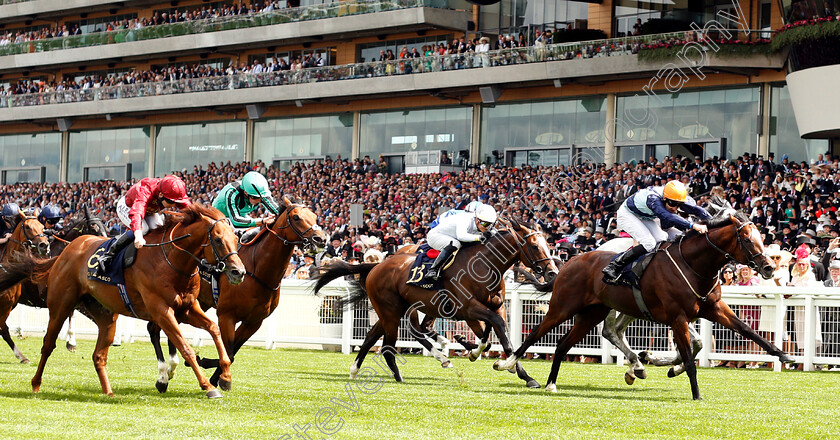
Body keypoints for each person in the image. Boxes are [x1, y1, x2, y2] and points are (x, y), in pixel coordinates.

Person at [603, 180, 711, 283]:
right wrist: (692, 225)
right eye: (673, 204)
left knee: (662, 238)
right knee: (649, 243)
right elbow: (668, 216)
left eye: (679, 205)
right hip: (628, 214)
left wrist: (714, 222)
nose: (675, 208)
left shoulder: (672, 197)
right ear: (664, 198)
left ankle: (641, 270)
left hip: (645, 216)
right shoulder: (653, 199)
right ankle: (614, 265)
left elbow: (696, 210)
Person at [96, 175, 191, 274]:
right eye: (171, 201)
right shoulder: (145, 190)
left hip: (149, 210)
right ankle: (109, 254)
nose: (175, 205)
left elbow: (189, 208)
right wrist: (138, 236)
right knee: (143, 229)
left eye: (177, 201)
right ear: (161, 195)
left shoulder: (174, 191)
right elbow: (137, 213)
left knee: (158, 228)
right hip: (129, 206)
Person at [424, 204, 497, 280]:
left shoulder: (479, 221)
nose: (487, 227)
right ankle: (433, 270)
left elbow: (493, 232)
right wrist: (479, 237)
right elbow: (461, 236)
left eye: (489, 224)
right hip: (436, 236)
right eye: (485, 224)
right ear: (477, 219)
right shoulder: (465, 219)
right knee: (455, 244)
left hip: (452, 236)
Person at [212, 171, 279, 238]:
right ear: (246, 193)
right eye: (255, 197)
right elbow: (235, 220)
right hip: (221, 217)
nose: (259, 201)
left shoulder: (261, 192)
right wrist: (262, 220)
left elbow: (277, 210)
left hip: (240, 215)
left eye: (261, 198)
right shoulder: (232, 193)